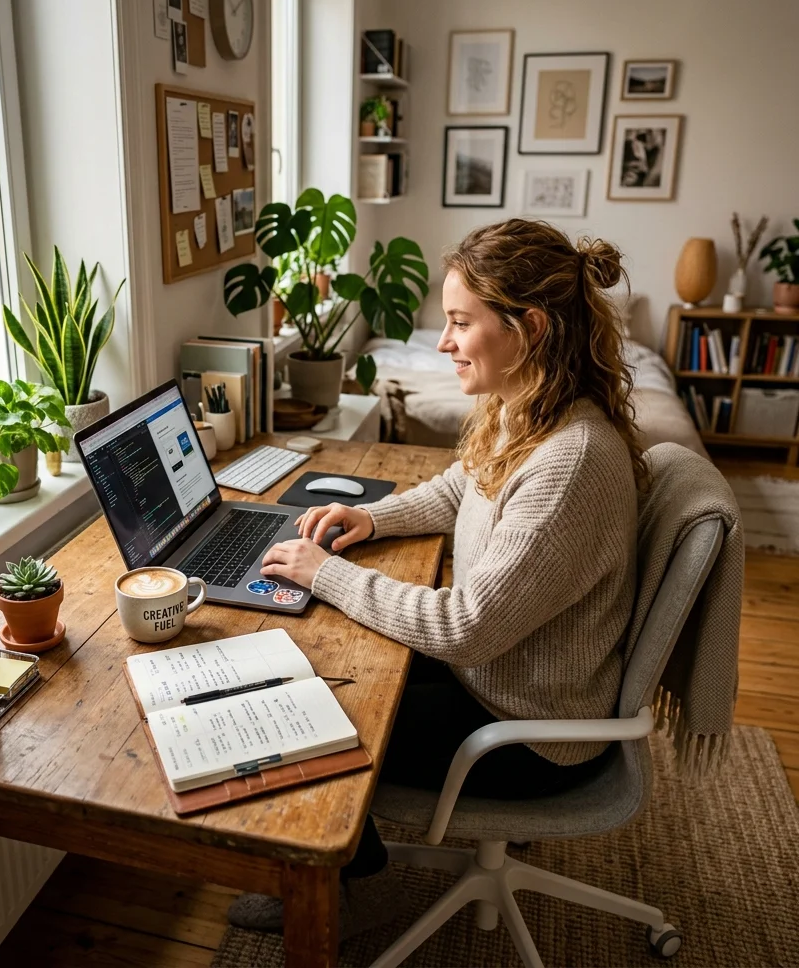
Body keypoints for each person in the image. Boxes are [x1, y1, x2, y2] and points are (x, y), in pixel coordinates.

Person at [228, 218, 649, 937]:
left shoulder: (570, 461)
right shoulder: (529, 410)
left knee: (314, 717)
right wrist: (374, 520)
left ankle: (336, 882)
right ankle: (352, 861)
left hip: (526, 731)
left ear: (531, 328)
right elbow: (461, 487)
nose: (444, 342)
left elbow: (464, 627)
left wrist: (326, 572)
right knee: (326, 657)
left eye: (460, 323)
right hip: (500, 680)